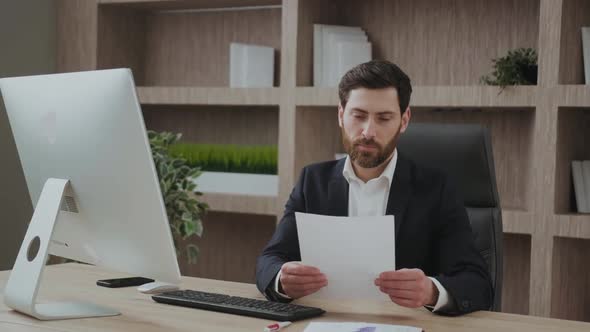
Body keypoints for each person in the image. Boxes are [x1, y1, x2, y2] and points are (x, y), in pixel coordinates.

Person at [255, 60, 492, 315]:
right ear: (340, 115)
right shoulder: (312, 181)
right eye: (358, 116)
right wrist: (282, 280)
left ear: (404, 120)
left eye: (384, 118)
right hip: (327, 323)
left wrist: (431, 291)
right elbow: (269, 261)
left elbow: (477, 283)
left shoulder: (437, 188)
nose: (368, 131)